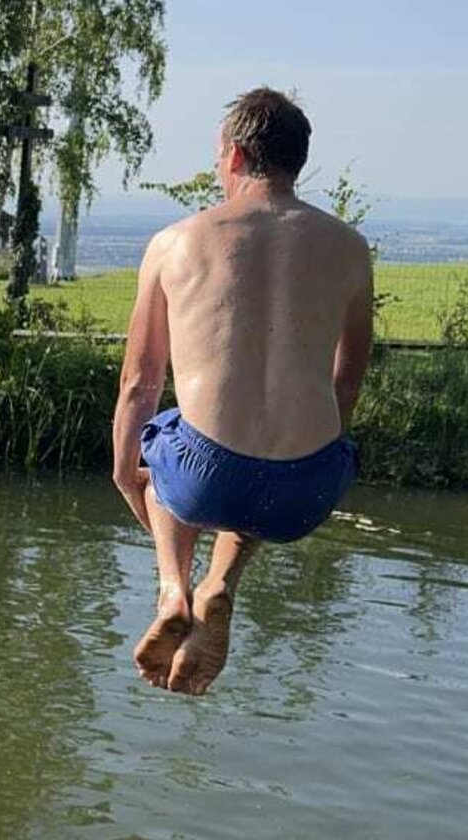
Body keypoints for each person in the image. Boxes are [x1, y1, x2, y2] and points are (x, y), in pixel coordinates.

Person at [112, 87, 373, 696]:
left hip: (205, 473)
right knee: (264, 456)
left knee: (169, 439)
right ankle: (221, 585)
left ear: (232, 157)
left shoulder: (175, 242)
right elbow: (348, 380)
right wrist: (316, 451)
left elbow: (139, 383)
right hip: (306, 492)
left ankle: (174, 587)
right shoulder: (350, 250)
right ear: (296, 161)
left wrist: (129, 475)